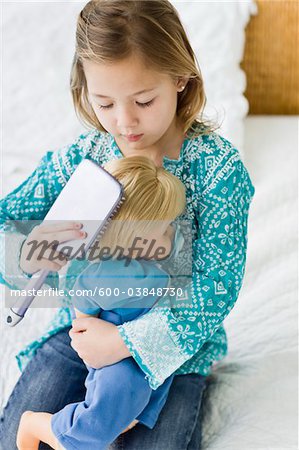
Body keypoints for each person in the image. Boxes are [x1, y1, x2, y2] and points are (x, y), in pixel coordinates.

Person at [0, 1, 255, 449]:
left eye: (143, 101)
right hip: (80, 334)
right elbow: (7, 223)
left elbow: (217, 288)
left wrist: (129, 342)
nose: (124, 121)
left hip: (174, 352)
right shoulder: (85, 156)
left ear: (181, 77)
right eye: (105, 103)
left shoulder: (218, 170)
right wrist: (31, 250)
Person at [16, 155, 187, 450]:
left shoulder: (153, 268)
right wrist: (85, 332)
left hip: (150, 355)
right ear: (134, 236)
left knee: (136, 409)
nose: (172, 234)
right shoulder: (103, 274)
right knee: (104, 414)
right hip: (113, 356)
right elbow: (81, 310)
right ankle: (51, 431)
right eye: (164, 229)